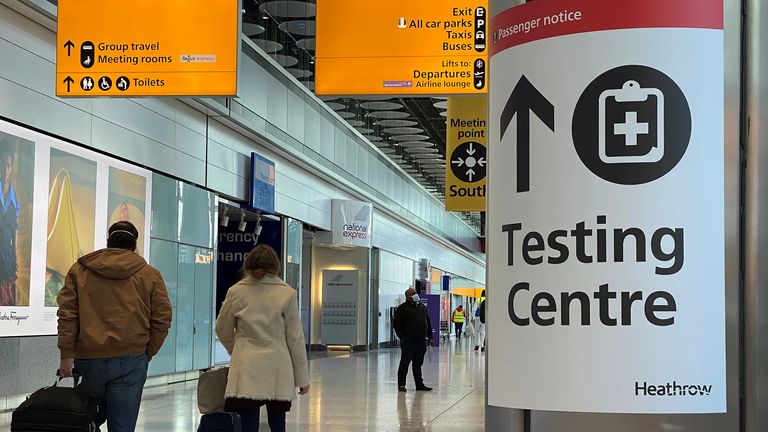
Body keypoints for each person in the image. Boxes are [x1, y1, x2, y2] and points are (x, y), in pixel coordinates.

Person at [57, 221, 172, 432]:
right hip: (132, 358)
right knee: (122, 426)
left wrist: (66, 354)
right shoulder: (149, 275)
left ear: (108, 242)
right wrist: (148, 351)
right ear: (134, 244)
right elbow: (162, 318)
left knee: (85, 421)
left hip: (89, 358)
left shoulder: (80, 271)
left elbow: (68, 315)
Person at [216, 244, 310, 432]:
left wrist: (237, 348)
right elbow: (295, 338)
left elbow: (222, 329)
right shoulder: (287, 293)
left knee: (248, 424)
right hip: (277, 366)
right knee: (277, 424)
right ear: (275, 265)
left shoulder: (236, 291)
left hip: (247, 366)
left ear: (248, 264)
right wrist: (302, 378)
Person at [393, 287, 433, 392]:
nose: (416, 294)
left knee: (418, 363)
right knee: (405, 362)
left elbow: (427, 322)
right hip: (409, 341)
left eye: (416, 292)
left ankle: (419, 384)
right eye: (414, 293)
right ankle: (401, 385)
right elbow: (397, 324)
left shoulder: (422, 307)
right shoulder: (402, 308)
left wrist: (430, 336)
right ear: (408, 296)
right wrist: (402, 337)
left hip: (421, 341)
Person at [0, 149, 19, 306]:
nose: (5, 170)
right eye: (3, 165)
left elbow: (14, 232)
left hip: (7, 259)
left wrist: (15, 260)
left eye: (9, 166)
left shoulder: (14, 199)